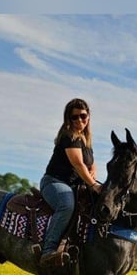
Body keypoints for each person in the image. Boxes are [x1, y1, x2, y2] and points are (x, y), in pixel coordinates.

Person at [39, 98, 102, 266]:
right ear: (68, 119)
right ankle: (48, 250)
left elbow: (90, 162)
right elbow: (78, 164)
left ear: (88, 116)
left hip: (75, 184)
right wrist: (94, 185)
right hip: (54, 182)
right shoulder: (69, 136)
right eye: (75, 117)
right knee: (66, 205)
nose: (79, 120)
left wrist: (94, 173)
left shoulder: (85, 139)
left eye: (83, 116)